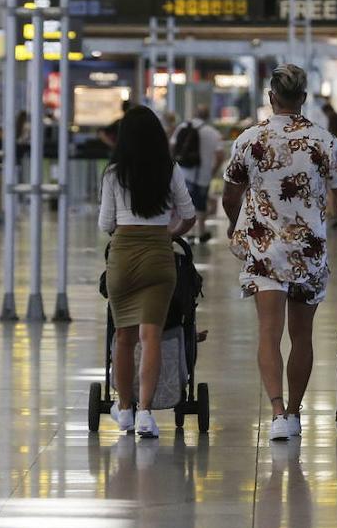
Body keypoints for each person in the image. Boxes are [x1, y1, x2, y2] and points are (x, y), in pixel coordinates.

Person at [222, 64, 337, 443]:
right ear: (303, 98)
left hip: (264, 250)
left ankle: (278, 413)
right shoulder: (323, 141)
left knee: (269, 333)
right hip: (308, 251)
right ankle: (296, 412)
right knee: (302, 336)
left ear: (271, 97)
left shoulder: (249, 140)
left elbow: (230, 196)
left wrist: (236, 223)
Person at [99, 105, 197, 439]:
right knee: (150, 336)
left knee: (123, 337)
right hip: (158, 255)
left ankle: (124, 410)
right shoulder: (169, 170)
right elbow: (189, 215)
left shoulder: (114, 174)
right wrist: (169, 233)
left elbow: (105, 223)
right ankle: (145, 413)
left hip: (123, 257)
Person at [172, 104, 226, 245]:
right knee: (200, 204)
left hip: (183, 172)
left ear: (194, 113)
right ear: (208, 116)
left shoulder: (182, 127)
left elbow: (172, 146)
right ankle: (201, 232)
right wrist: (212, 171)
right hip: (203, 175)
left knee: (184, 203)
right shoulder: (213, 133)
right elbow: (220, 155)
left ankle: (188, 233)